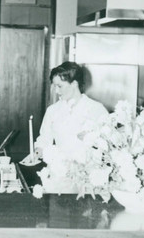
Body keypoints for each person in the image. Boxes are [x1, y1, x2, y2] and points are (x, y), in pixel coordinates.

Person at [32, 61, 109, 193]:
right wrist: (38, 150)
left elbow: (107, 145)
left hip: (88, 179)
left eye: (60, 86)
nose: (56, 91)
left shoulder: (96, 110)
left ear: (74, 84)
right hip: (59, 178)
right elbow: (44, 138)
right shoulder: (53, 110)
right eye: (54, 86)